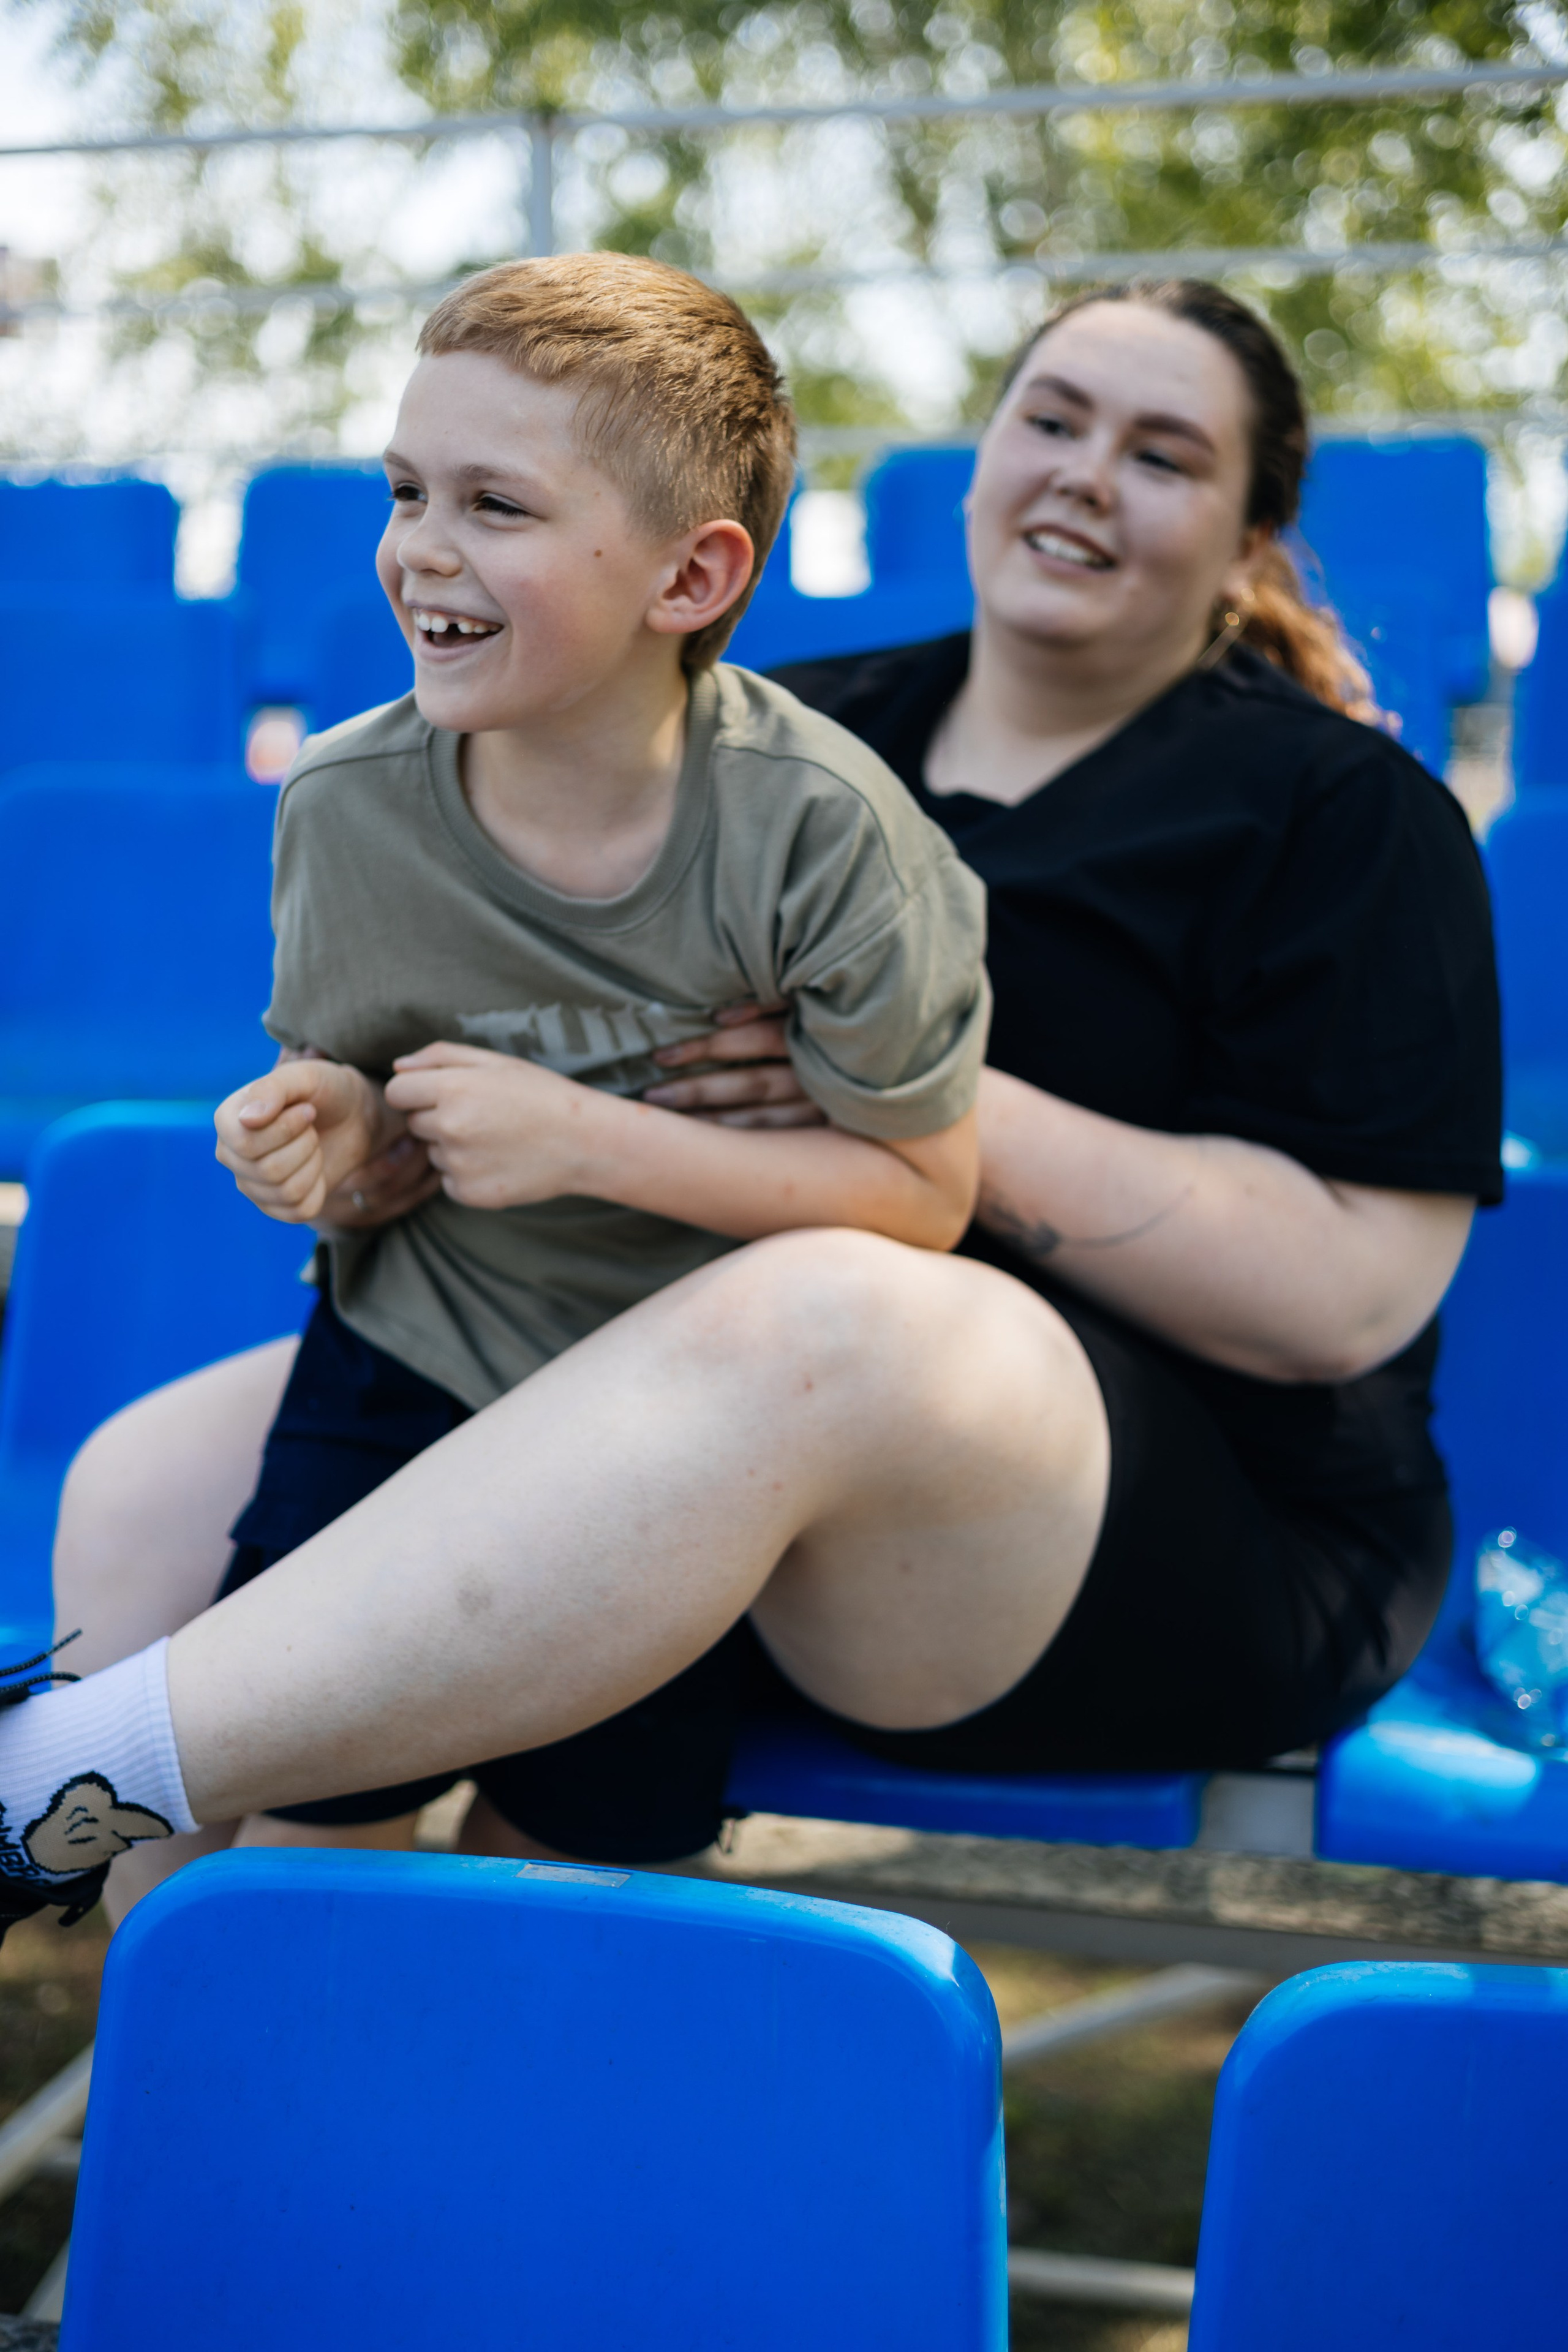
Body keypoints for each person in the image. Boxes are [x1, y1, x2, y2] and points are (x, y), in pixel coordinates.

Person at [4, 276, 1500, 1945]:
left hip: (1163, 1537)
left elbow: (1344, 1302)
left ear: (1250, 539)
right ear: (987, 449)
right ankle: (196, 2091)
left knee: (831, 1313)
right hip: (706, 1386)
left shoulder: (1348, 810)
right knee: (145, 1490)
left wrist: (897, 1104)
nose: (1084, 472)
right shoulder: (786, 728)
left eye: (1162, 454)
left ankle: (57, 1778)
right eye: (1053, 418)